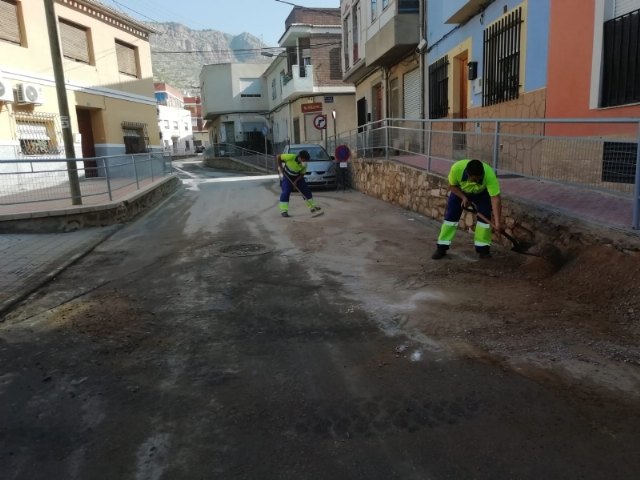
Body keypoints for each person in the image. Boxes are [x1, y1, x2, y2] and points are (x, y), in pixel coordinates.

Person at [432, 158, 502, 260]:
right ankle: (441, 247)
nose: (476, 181)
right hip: (460, 191)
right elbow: (452, 186)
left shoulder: (489, 174)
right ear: (468, 174)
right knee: (450, 218)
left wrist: (497, 222)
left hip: (481, 193)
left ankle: (483, 250)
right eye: (474, 179)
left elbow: (495, 198)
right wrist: (463, 197)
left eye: (479, 179)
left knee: (484, 219)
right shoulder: (456, 169)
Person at [277, 150, 321, 217]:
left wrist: (296, 181)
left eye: (306, 160)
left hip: (298, 177)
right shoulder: (290, 157)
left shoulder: (304, 164)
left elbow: (302, 174)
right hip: (287, 177)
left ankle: (312, 206)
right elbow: (278, 157)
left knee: (306, 190)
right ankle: (284, 210)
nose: (304, 161)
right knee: (286, 192)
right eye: (304, 160)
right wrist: (281, 167)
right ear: (299, 157)